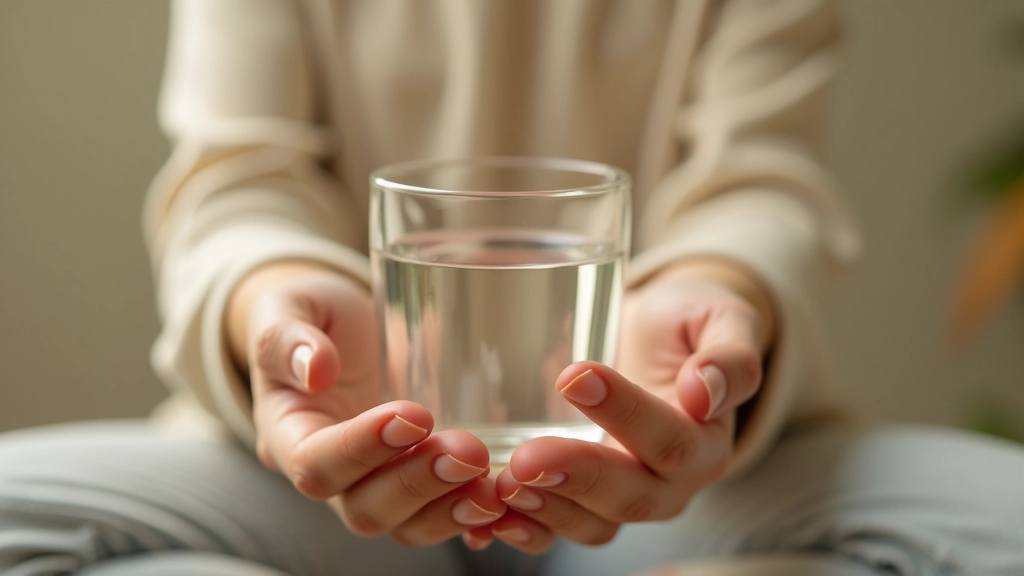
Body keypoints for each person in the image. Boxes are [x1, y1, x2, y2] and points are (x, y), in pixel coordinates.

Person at [2, 0, 1023, 574]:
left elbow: (760, 180)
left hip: (655, 484)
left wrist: (717, 302)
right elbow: (239, 178)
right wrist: (274, 305)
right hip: (327, 471)